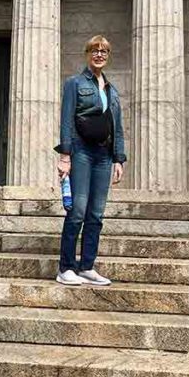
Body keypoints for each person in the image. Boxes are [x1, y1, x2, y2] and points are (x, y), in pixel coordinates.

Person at [54, 34, 126, 286]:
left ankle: (87, 266)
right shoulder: (74, 83)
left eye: (104, 51)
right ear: (87, 54)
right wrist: (65, 155)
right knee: (78, 211)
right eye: (95, 50)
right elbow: (66, 120)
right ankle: (66, 268)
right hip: (81, 152)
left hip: (104, 156)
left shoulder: (111, 89)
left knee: (96, 214)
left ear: (108, 56)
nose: (99, 55)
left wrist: (119, 159)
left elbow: (117, 126)